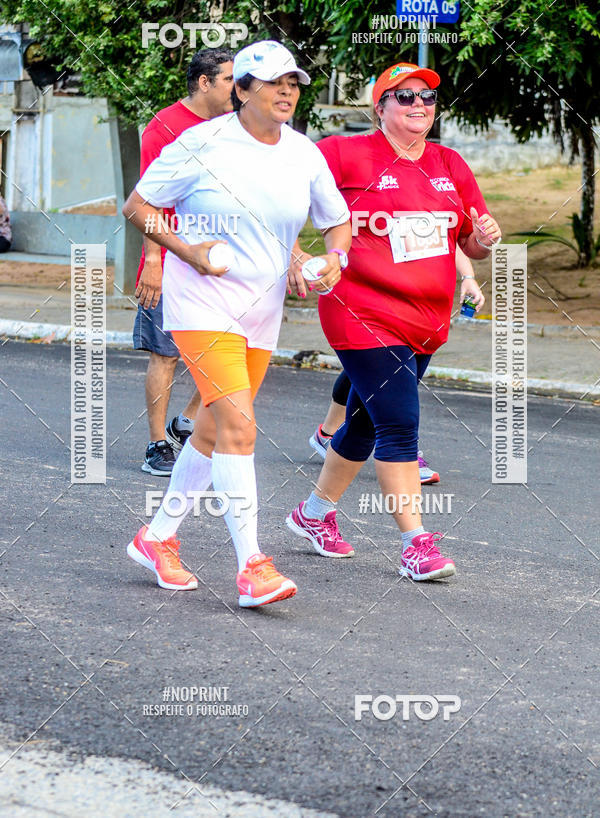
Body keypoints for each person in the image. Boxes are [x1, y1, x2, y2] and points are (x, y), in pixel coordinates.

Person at [123, 40, 351, 606]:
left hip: (262, 308)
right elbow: (138, 206)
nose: (287, 92)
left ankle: (157, 538)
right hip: (200, 302)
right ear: (241, 90)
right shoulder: (201, 143)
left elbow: (338, 223)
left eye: (293, 83)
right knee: (240, 427)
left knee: (212, 429)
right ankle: (252, 564)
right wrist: (188, 251)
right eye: (274, 83)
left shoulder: (303, 153)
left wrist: (331, 262)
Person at [286, 61, 501, 576]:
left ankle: (313, 514)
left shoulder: (449, 164)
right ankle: (416, 545)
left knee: (362, 424)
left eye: (426, 98)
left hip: (426, 320)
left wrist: (483, 242)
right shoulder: (342, 153)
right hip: (359, 310)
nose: (418, 106)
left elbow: (467, 240)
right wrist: (297, 259)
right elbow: (279, 206)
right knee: (400, 426)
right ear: (379, 106)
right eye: (404, 98)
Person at [133, 49, 234, 476]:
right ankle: (157, 444)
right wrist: (153, 259)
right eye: (229, 79)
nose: (238, 88)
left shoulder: (232, 127)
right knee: (166, 354)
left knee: (225, 348)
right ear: (205, 82)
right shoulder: (165, 126)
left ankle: (188, 421)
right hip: (171, 259)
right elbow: (147, 200)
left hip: (217, 260)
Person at [304, 247, 486, 484]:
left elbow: (447, 236)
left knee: (371, 373)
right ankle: (403, 453)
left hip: (415, 297)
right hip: (368, 293)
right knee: (388, 373)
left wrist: (468, 277)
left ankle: (327, 440)